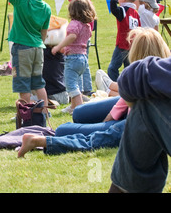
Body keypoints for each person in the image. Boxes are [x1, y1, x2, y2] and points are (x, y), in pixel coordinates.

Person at [17, 27, 170, 158]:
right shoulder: (154, 75)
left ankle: (41, 141)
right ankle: (40, 140)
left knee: (74, 132)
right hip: (133, 119)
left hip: (134, 122)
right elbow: (127, 103)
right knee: (83, 121)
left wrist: (109, 122)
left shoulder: (138, 74)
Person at [109, 54, 171, 193]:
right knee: (78, 115)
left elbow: (132, 78)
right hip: (120, 116)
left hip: (119, 122)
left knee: (146, 104)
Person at [0, 0, 51, 103]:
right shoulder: (46, 7)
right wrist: (38, 43)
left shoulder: (22, 0)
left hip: (22, 49)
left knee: (24, 86)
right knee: (38, 84)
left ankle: (27, 112)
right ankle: (45, 112)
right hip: (38, 49)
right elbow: (44, 32)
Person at [51, 0, 97, 114]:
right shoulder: (87, 26)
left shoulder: (74, 24)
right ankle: (73, 106)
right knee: (76, 83)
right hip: (83, 58)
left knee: (70, 84)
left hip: (73, 58)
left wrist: (58, 46)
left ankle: (81, 109)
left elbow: (72, 37)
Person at [54, 0, 94, 96]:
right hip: (85, 39)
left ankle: (79, 91)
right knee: (84, 65)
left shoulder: (77, 5)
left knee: (74, 70)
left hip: (76, 43)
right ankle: (87, 89)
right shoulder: (89, 6)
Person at [107, 0, 140, 81]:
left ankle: (115, 86)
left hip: (122, 45)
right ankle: (128, 87)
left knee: (112, 68)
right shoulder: (135, 13)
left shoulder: (123, 10)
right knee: (128, 69)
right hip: (132, 45)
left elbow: (114, 10)